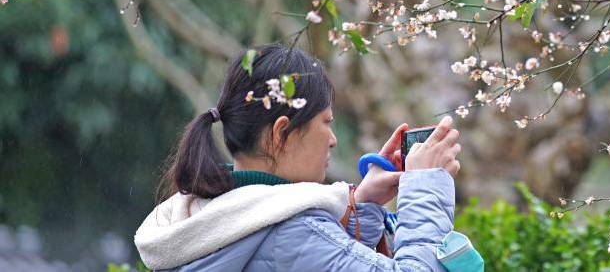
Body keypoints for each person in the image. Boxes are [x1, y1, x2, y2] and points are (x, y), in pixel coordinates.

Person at [134, 44, 462, 271]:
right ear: (282, 133)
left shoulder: (207, 213)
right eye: (326, 123)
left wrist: (361, 204)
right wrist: (426, 187)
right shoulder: (292, 232)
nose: (333, 140)